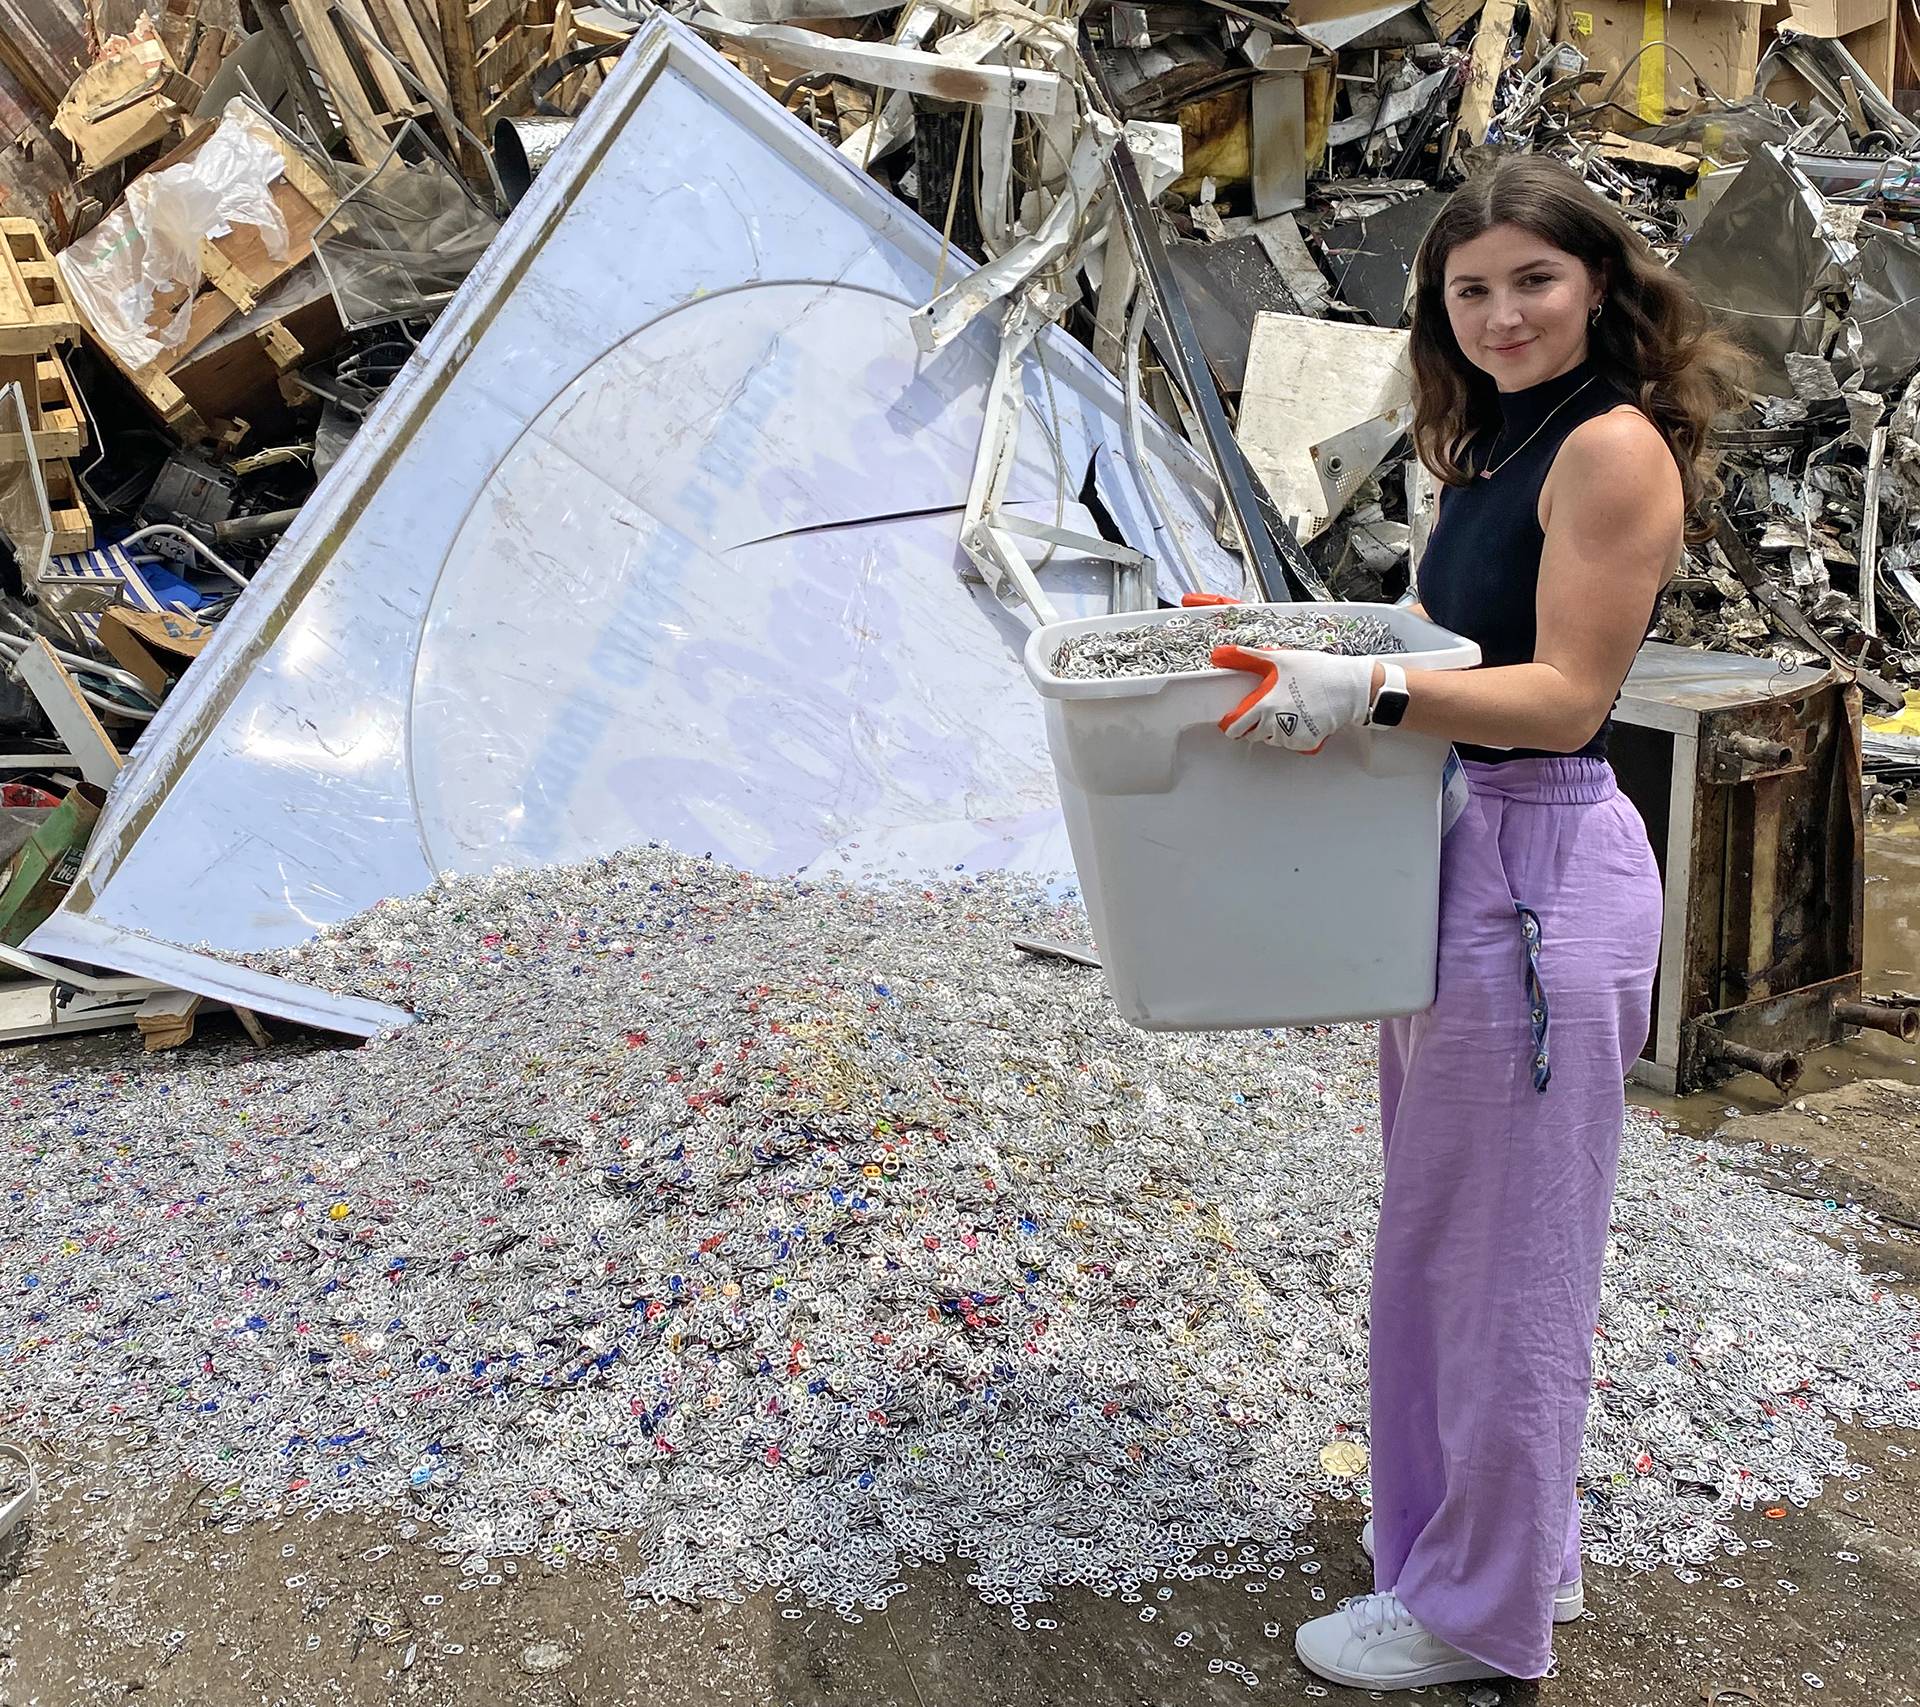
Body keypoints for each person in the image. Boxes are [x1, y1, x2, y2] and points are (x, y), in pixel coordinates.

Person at [1210, 155, 1748, 1692]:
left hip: (1542, 865)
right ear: (1438, 312)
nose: (1504, 312)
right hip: (1464, 851)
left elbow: (1568, 694)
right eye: (1472, 289)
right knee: (1457, 1242)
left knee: (1501, 1264)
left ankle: (1474, 1615)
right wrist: (1340, 658)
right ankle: (1509, 1554)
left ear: (1600, 288)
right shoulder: (1493, 443)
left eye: (1536, 280)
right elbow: (1465, 644)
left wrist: (1370, 687)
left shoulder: (1610, 449)